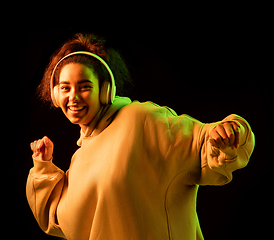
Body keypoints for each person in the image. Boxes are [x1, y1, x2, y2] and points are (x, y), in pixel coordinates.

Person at [26, 33, 255, 240]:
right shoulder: (78, 161)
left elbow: (202, 143)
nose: (73, 97)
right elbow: (60, 221)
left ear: (106, 89)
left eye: (84, 86)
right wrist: (43, 168)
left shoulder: (141, 119)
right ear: (56, 95)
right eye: (65, 88)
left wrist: (230, 133)